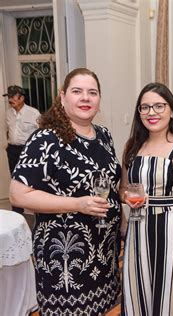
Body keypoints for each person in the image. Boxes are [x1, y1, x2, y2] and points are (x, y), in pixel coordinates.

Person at [9, 68, 122, 315]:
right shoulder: (46, 139)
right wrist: (77, 204)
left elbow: (111, 184)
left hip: (103, 257)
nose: (85, 98)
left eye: (92, 92)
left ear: (99, 99)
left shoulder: (104, 135)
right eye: (77, 91)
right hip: (64, 262)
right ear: (62, 97)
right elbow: (18, 194)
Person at [120, 83, 173, 315]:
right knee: (139, 298)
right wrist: (128, 197)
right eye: (144, 107)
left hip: (172, 237)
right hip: (137, 235)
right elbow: (123, 188)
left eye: (159, 106)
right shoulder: (133, 146)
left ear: (172, 110)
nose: (151, 112)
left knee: (170, 302)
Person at [3, 85, 40, 213]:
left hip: (27, 151)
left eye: (13, 96)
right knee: (15, 179)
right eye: (9, 97)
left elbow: (42, 132)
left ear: (22, 98)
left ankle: (37, 208)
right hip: (12, 150)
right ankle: (17, 211)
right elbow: (8, 129)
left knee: (31, 179)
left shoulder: (33, 113)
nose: (10, 99)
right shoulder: (8, 113)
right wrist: (7, 144)